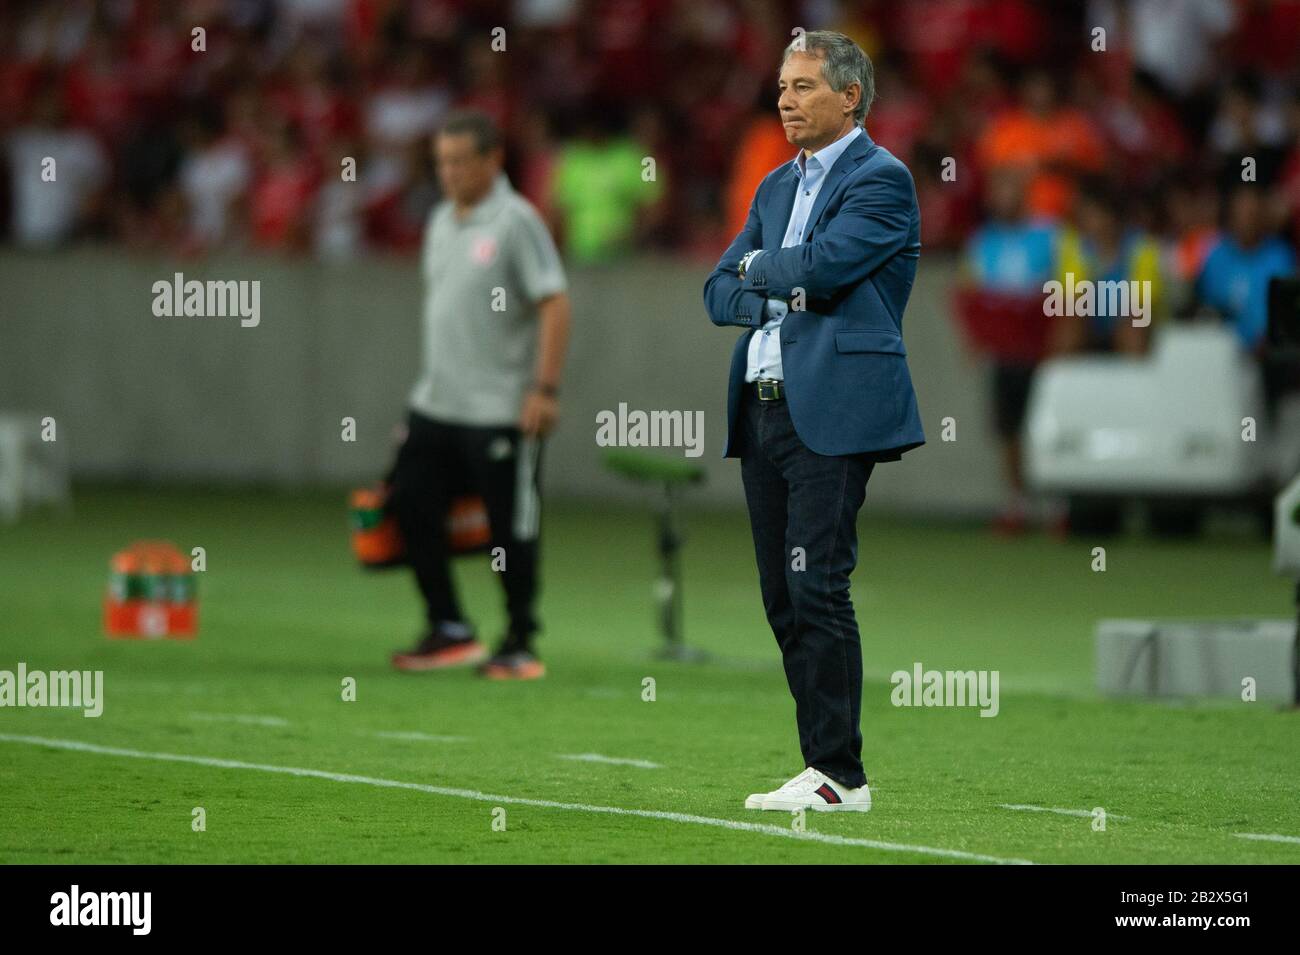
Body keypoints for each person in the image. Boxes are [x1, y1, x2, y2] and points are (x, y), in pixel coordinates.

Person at [703, 31, 924, 813]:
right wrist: (773, 281)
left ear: (850, 96)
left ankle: (841, 774)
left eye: (801, 87)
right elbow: (715, 290)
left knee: (817, 582)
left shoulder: (883, 179)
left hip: (832, 406)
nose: (785, 100)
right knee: (783, 594)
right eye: (782, 86)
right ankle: (821, 764)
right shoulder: (772, 186)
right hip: (762, 404)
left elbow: (824, 267)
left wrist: (763, 271)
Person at [389, 110, 571, 680]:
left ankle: (520, 638)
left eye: (459, 161)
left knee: (509, 527)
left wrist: (543, 389)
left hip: (499, 408)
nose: (448, 173)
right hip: (437, 404)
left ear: (493, 160)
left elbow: (554, 301)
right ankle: (448, 626)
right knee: (407, 502)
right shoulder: (442, 219)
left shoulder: (516, 221)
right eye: (441, 162)